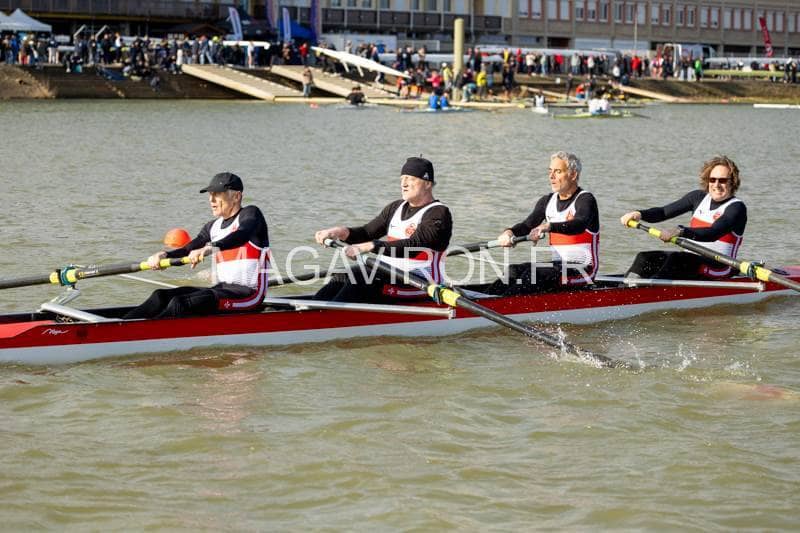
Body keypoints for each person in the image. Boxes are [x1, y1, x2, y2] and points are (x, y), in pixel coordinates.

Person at [124, 172, 270, 319]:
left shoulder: (251, 214)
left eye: (217, 194)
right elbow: (188, 249)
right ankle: (122, 323)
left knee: (181, 303)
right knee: (160, 296)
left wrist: (210, 247)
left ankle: (146, 330)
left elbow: (242, 234)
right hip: (222, 289)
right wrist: (165, 255)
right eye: (210, 194)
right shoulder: (212, 227)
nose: (211, 200)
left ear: (236, 196)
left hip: (250, 295)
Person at [313, 157, 452, 303]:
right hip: (387, 275)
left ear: (427, 184)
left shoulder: (438, 213)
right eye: (402, 179)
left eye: (410, 179)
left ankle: (330, 314)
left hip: (421, 285)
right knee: (343, 275)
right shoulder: (395, 207)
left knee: (361, 277)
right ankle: (314, 310)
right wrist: (338, 232)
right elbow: (366, 233)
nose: (403, 184)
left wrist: (370, 246)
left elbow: (414, 246)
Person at [486, 151, 600, 295]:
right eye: (550, 171)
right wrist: (509, 232)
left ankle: (502, 304)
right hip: (558, 267)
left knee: (534, 274)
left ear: (573, 175)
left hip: (583, 271)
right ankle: (487, 299)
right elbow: (526, 226)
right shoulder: (547, 201)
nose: (551, 176)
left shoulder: (586, 200)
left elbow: (579, 224)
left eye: (558, 171)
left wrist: (548, 226)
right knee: (513, 270)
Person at [619, 155, 746, 280]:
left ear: (732, 182)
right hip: (690, 262)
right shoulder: (697, 197)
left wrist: (680, 231)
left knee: (678, 260)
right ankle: (627, 286)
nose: (716, 185)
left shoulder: (736, 208)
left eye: (722, 180)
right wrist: (639, 214)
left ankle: (652, 289)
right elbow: (663, 212)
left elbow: (713, 233)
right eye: (712, 180)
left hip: (719, 268)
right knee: (645, 258)